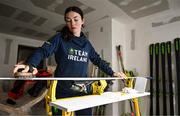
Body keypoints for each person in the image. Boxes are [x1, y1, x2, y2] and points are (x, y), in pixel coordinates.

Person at [13, 6, 125, 116]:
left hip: (83, 91)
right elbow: (42, 51)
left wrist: (113, 73)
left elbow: (98, 60)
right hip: (62, 90)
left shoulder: (87, 44)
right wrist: (30, 64)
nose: (72, 23)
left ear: (82, 21)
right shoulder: (59, 38)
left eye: (76, 19)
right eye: (68, 20)